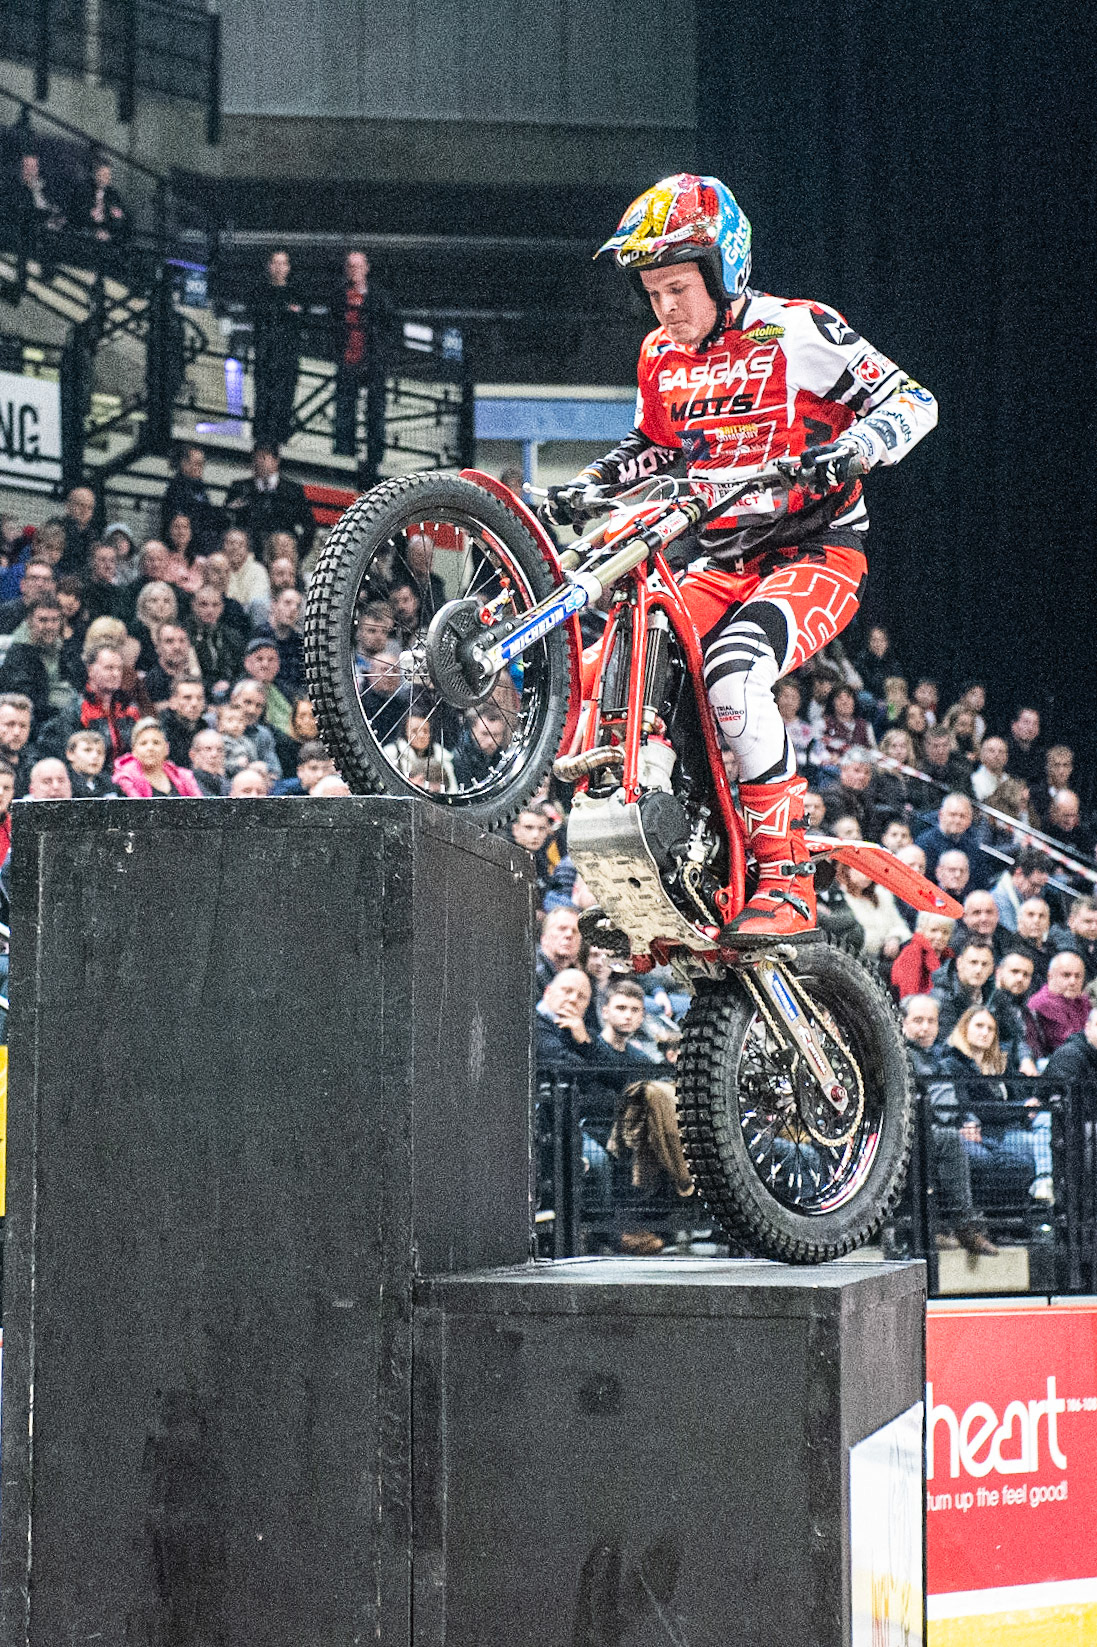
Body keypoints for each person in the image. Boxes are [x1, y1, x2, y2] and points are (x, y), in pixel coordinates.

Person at [543, 172, 936, 941]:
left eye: (679, 287)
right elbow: (653, 449)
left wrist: (855, 447)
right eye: (652, 291)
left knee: (730, 673)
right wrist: (590, 481)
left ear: (725, 270)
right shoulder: (660, 355)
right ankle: (659, 853)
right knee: (625, 646)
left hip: (815, 552)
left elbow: (914, 401)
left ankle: (787, 880)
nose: (664, 308)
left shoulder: (797, 330)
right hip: (720, 559)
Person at [900, 994, 997, 1256]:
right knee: (950, 1141)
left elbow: (957, 1099)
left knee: (1000, 1151)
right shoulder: (900, 1058)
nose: (924, 1028)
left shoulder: (941, 1057)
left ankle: (974, 1225)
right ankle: (965, 1226)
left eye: (931, 1021)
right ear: (902, 1023)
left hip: (948, 1127)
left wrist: (968, 1121)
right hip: (911, 1135)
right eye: (918, 1020)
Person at [331, 250, 391, 470]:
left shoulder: (378, 296)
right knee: (345, 409)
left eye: (358, 266)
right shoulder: (340, 295)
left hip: (372, 361)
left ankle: (375, 454)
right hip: (348, 359)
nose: (354, 270)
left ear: (366, 268)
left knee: (375, 411)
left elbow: (388, 324)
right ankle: (343, 450)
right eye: (350, 266)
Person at [224, 445, 316, 561]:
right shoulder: (240, 488)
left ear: (276, 460)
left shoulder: (293, 490)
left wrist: (297, 555)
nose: (258, 462)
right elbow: (225, 519)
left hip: (282, 554)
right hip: (249, 554)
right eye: (255, 458)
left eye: (263, 457)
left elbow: (309, 526)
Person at [251, 252, 302, 447]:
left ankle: (280, 437)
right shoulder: (259, 292)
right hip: (265, 354)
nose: (279, 268)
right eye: (275, 263)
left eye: (283, 264)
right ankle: (261, 437)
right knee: (263, 397)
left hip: (286, 356)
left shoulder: (296, 293)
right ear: (269, 266)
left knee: (284, 399)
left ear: (288, 267)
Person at [112, 717, 203, 798]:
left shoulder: (183, 776)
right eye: (143, 743)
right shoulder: (126, 778)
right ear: (134, 750)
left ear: (167, 748)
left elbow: (200, 807)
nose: (150, 748)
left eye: (156, 742)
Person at [1025, 951, 1089, 1061]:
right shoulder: (1042, 1003)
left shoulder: (1082, 1001)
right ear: (1050, 976)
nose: (1073, 981)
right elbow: (1068, 1044)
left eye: (1078, 976)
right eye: (1066, 975)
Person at [160, 444, 223, 554]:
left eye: (202, 464)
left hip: (204, 542)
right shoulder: (176, 488)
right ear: (184, 464)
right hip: (190, 546)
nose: (200, 468)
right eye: (197, 463)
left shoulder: (200, 487)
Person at [188, 584, 246, 696]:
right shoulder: (185, 635)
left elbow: (243, 668)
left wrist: (230, 684)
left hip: (231, 691)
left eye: (215, 605)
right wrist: (210, 687)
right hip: (198, 692)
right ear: (193, 606)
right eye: (203, 605)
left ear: (222, 607)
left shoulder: (233, 636)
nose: (210, 610)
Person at [891, 911, 955, 999]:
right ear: (922, 930)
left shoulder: (949, 956)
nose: (939, 936)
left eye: (945, 932)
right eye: (934, 930)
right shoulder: (912, 952)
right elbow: (908, 992)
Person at [71, 155, 130, 246]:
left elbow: (120, 216)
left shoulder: (113, 194)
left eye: (108, 175)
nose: (107, 178)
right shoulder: (83, 190)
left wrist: (114, 218)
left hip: (108, 233)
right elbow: (78, 214)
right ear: (95, 175)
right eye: (103, 175)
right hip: (87, 232)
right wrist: (91, 216)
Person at [992, 847, 1053, 931]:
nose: (1037, 891)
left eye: (1041, 887)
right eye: (1033, 885)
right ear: (1019, 873)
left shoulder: (1027, 896)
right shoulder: (999, 899)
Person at [158, 676, 207, 768]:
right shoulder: (161, 732)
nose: (194, 704)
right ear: (173, 702)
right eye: (187, 698)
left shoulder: (205, 728)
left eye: (199, 698)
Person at [65, 728, 118, 797]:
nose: (95, 756)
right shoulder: (63, 783)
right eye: (87, 750)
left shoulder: (109, 784)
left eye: (100, 752)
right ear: (70, 754)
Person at [271, 741, 335, 796]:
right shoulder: (285, 791)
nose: (320, 775)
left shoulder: (337, 788)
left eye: (326, 768)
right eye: (313, 768)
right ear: (300, 771)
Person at [188, 728, 229, 796]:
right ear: (193, 755)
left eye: (220, 750)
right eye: (208, 749)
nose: (214, 755)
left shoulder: (228, 786)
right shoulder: (187, 785)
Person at [971, 734, 1010, 803]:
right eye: (991, 751)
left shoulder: (1008, 780)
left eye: (1001, 751)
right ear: (982, 755)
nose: (996, 755)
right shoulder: (975, 780)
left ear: (1006, 757)